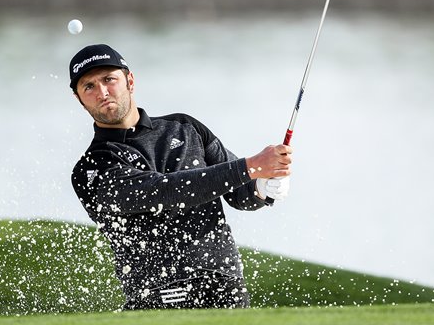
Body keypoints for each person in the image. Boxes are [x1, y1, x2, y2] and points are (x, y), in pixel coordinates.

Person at [69, 44, 292, 310]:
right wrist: (251, 167)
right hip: (158, 293)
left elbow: (240, 194)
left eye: (109, 79)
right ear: (79, 99)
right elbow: (164, 192)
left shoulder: (185, 127)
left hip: (225, 284)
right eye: (89, 86)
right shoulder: (92, 167)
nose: (103, 92)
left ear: (130, 80)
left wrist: (263, 187)